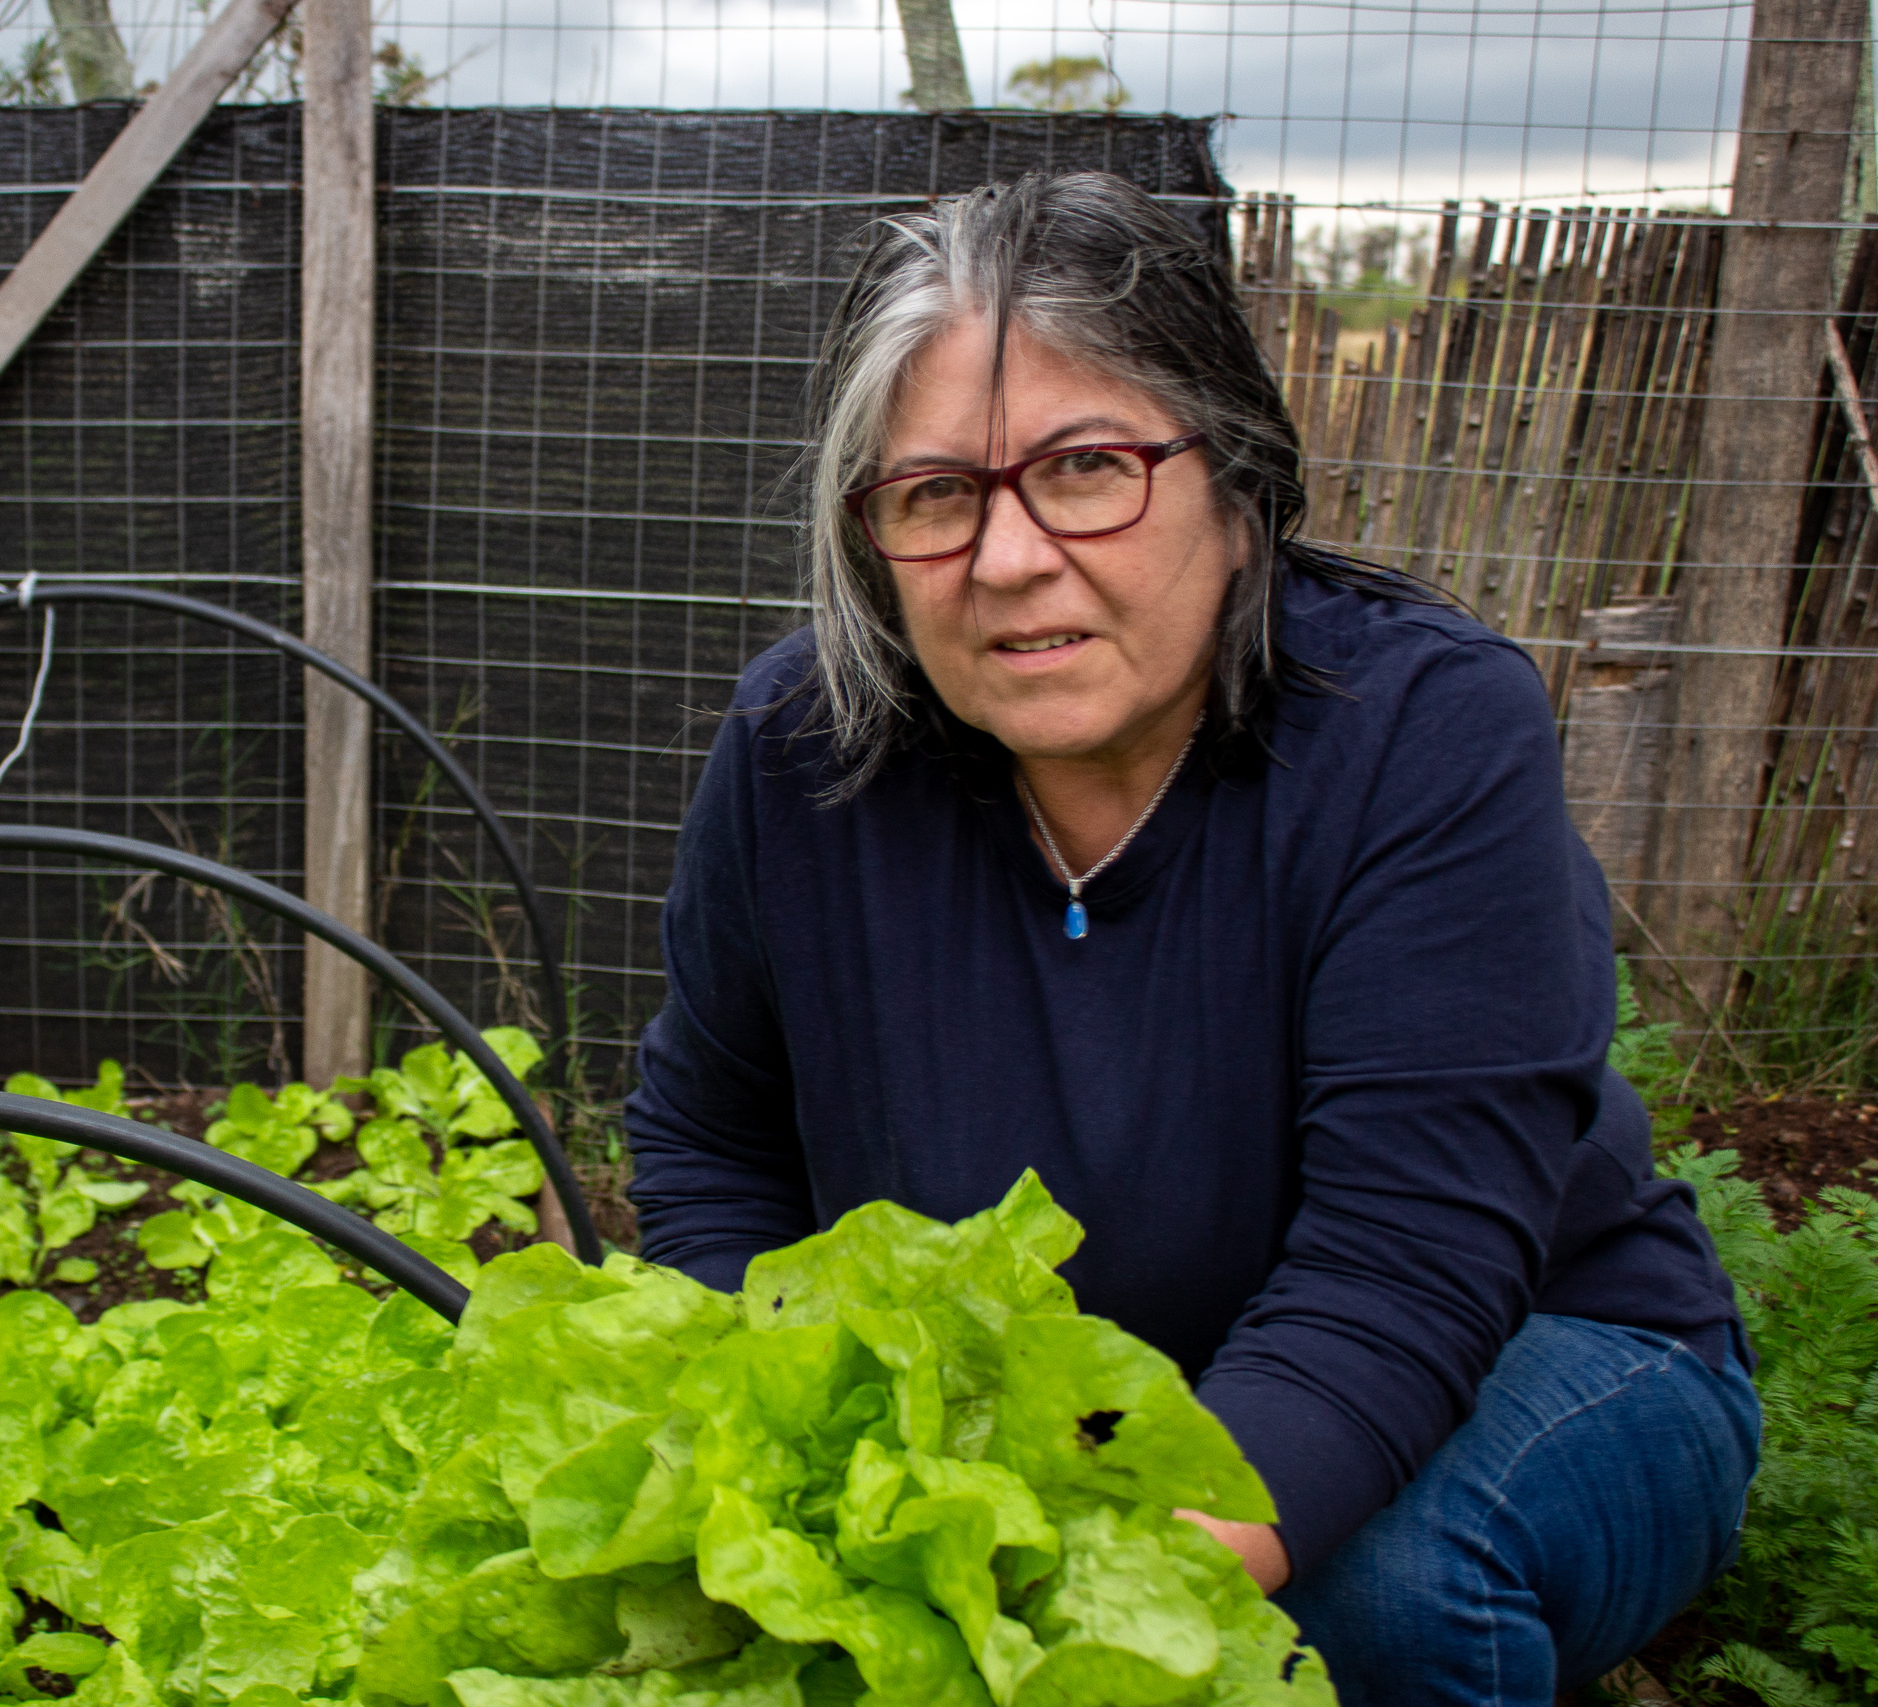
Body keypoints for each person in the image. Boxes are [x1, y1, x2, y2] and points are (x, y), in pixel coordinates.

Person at [622, 172, 1761, 1706]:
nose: (1009, 557)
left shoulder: (1422, 732)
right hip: (1060, 1420)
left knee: (1368, 1597)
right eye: (937, 494)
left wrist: (1055, 1597)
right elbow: (713, 1143)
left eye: (1088, 468)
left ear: (1237, 478)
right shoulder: (801, 753)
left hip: (1535, 1349)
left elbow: (1401, 1273)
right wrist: (806, 1471)